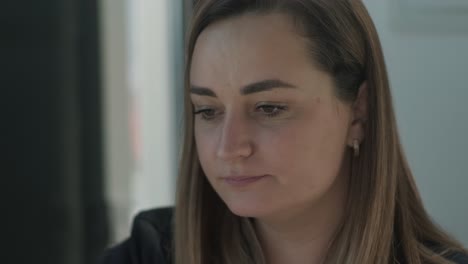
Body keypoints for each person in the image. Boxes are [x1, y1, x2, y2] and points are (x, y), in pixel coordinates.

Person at [101, 0, 468, 263]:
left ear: (359, 112)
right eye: (208, 111)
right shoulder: (148, 253)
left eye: (269, 108)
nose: (229, 148)